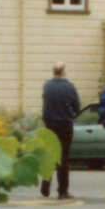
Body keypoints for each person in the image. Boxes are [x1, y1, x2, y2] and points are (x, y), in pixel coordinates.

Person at [38, 62, 81, 198]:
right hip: (65, 125)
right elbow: (76, 107)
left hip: (50, 124)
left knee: (50, 154)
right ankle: (62, 191)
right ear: (64, 72)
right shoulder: (69, 87)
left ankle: (46, 184)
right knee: (63, 158)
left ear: (53, 72)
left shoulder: (47, 86)